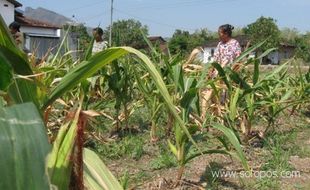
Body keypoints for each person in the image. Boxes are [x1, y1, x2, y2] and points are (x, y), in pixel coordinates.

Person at [201, 24, 242, 119]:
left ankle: (227, 116)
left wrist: (234, 73)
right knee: (214, 93)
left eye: (220, 33)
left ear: (226, 33)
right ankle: (216, 114)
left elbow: (238, 59)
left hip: (229, 74)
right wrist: (211, 70)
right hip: (218, 73)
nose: (218, 35)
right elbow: (216, 58)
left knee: (226, 94)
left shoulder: (234, 43)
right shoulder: (220, 44)